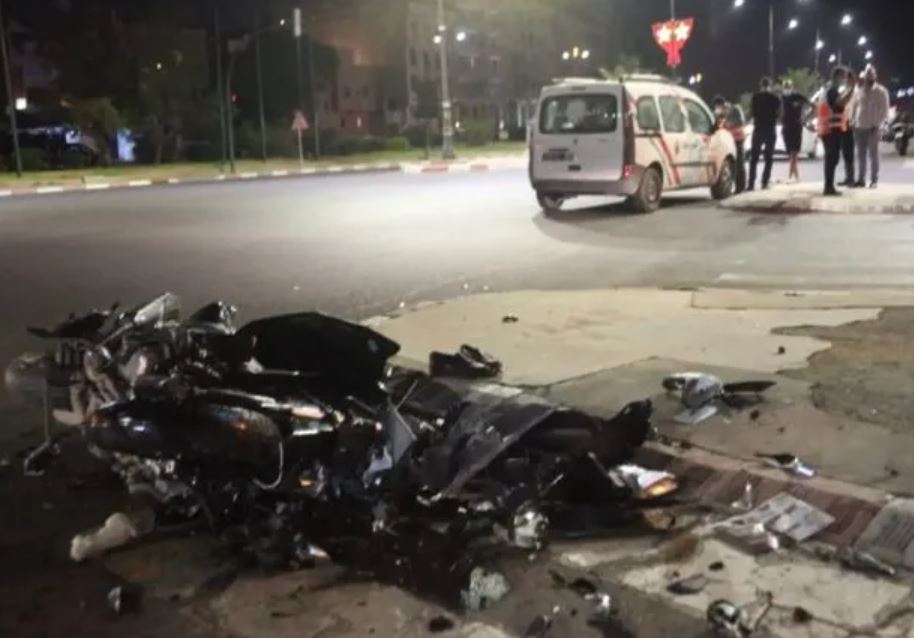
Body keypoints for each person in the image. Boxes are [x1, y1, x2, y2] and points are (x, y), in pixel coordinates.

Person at [818, 66, 856, 196]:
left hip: (830, 129)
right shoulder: (832, 91)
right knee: (831, 158)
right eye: (843, 77)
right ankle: (828, 187)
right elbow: (839, 104)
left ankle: (829, 186)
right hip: (830, 129)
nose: (845, 80)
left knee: (832, 159)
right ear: (837, 77)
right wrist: (851, 89)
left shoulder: (829, 91)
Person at [851, 64, 890, 188]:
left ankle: (874, 180)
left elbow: (885, 111)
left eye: (871, 75)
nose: (869, 77)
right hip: (860, 127)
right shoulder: (859, 91)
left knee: (873, 155)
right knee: (860, 155)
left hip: (874, 127)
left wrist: (879, 124)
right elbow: (854, 107)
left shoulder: (881, 92)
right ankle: (861, 180)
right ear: (864, 77)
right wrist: (852, 122)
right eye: (867, 75)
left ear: (875, 76)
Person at [748, 77, 781, 191]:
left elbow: (753, 113)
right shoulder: (775, 98)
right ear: (770, 86)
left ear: (761, 85)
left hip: (758, 129)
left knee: (754, 159)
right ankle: (764, 182)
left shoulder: (755, 97)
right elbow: (779, 114)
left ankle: (751, 184)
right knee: (768, 158)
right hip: (770, 129)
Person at [712, 95, 747, 193]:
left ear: (723, 104)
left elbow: (741, 121)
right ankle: (732, 186)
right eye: (716, 107)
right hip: (726, 140)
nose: (718, 108)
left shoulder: (735, 109)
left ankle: (740, 187)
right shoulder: (718, 113)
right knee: (730, 164)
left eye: (719, 106)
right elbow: (717, 125)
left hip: (737, 139)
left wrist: (728, 123)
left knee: (739, 163)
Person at [780, 79, 809, 182]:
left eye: (788, 86)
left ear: (792, 87)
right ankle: (795, 176)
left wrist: (804, 118)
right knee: (791, 153)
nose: (787, 89)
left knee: (794, 152)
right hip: (786, 127)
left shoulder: (798, 96)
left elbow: (811, 105)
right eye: (785, 87)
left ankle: (791, 176)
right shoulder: (783, 97)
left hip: (796, 127)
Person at [838, 68, 858, 186]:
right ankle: (848, 177)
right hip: (844, 123)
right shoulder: (844, 91)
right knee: (845, 152)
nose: (847, 80)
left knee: (850, 153)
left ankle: (852, 178)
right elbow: (841, 103)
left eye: (850, 78)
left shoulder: (857, 91)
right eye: (846, 78)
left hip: (853, 124)